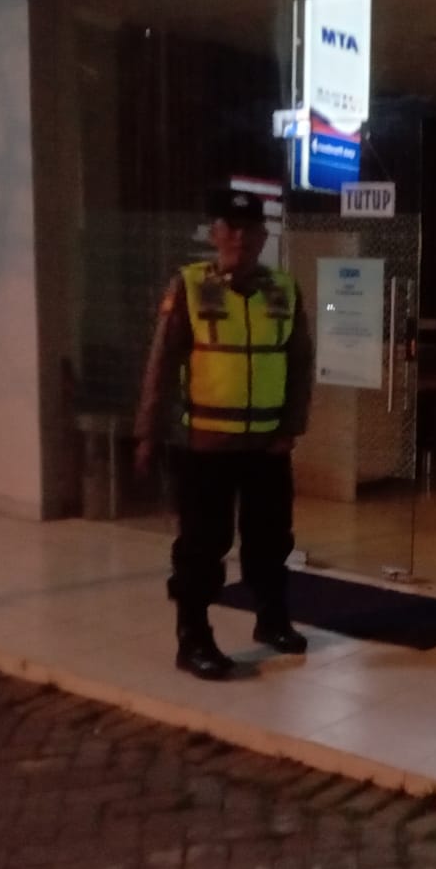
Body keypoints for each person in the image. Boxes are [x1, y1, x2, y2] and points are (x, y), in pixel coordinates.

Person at [133, 181, 313, 680]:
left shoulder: (283, 288)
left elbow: (300, 365)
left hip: (267, 446)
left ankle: (272, 619)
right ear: (214, 233)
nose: (240, 237)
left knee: (270, 539)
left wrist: (291, 428)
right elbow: (162, 365)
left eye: (250, 229)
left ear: (263, 237)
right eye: (230, 228)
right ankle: (192, 638)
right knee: (201, 545)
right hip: (205, 447)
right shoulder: (190, 286)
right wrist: (148, 432)